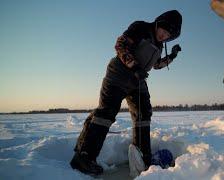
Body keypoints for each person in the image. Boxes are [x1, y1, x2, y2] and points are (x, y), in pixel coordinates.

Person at [70, 10, 182, 175]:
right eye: (164, 31)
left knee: (144, 114)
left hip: (137, 80)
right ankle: (84, 157)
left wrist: (172, 55)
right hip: (119, 74)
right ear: (159, 24)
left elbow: (156, 65)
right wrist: (134, 66)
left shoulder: (159, 45)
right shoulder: (141, 28)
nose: (164, 36)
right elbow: (120, 44)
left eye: (168, 35)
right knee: (106, 113)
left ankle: (142, 154)